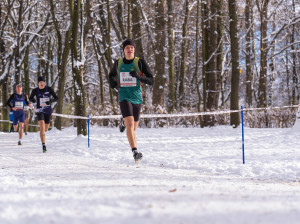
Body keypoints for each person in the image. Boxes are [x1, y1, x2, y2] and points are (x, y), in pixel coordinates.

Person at [109, 39, 154, 163]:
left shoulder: (139, 62)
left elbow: (151, 80)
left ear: (134, 49)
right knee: (130, 124)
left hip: (137, 96)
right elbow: (111, 75)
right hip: (124, 95)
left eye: (132, 48)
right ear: (123, 50)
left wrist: (139, 77)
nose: (130, 50)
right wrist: (112, 82)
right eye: (127, 48)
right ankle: (135, 152)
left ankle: (123, 123)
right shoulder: (118, 63)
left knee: (133, 127)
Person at [29, 76, 58, 153]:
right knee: (42, 127)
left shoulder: (49, 89)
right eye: (40, 82)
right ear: (38, 83)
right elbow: (30, 98)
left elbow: (56, 98)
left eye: (43, 82)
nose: (41, 83)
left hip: (48, 110)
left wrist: (51, 101)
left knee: (45, 128)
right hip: (40, 110)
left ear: (44, 83)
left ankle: (43, 136)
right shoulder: (35, 90)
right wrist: (33, 100)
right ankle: (43, 145)